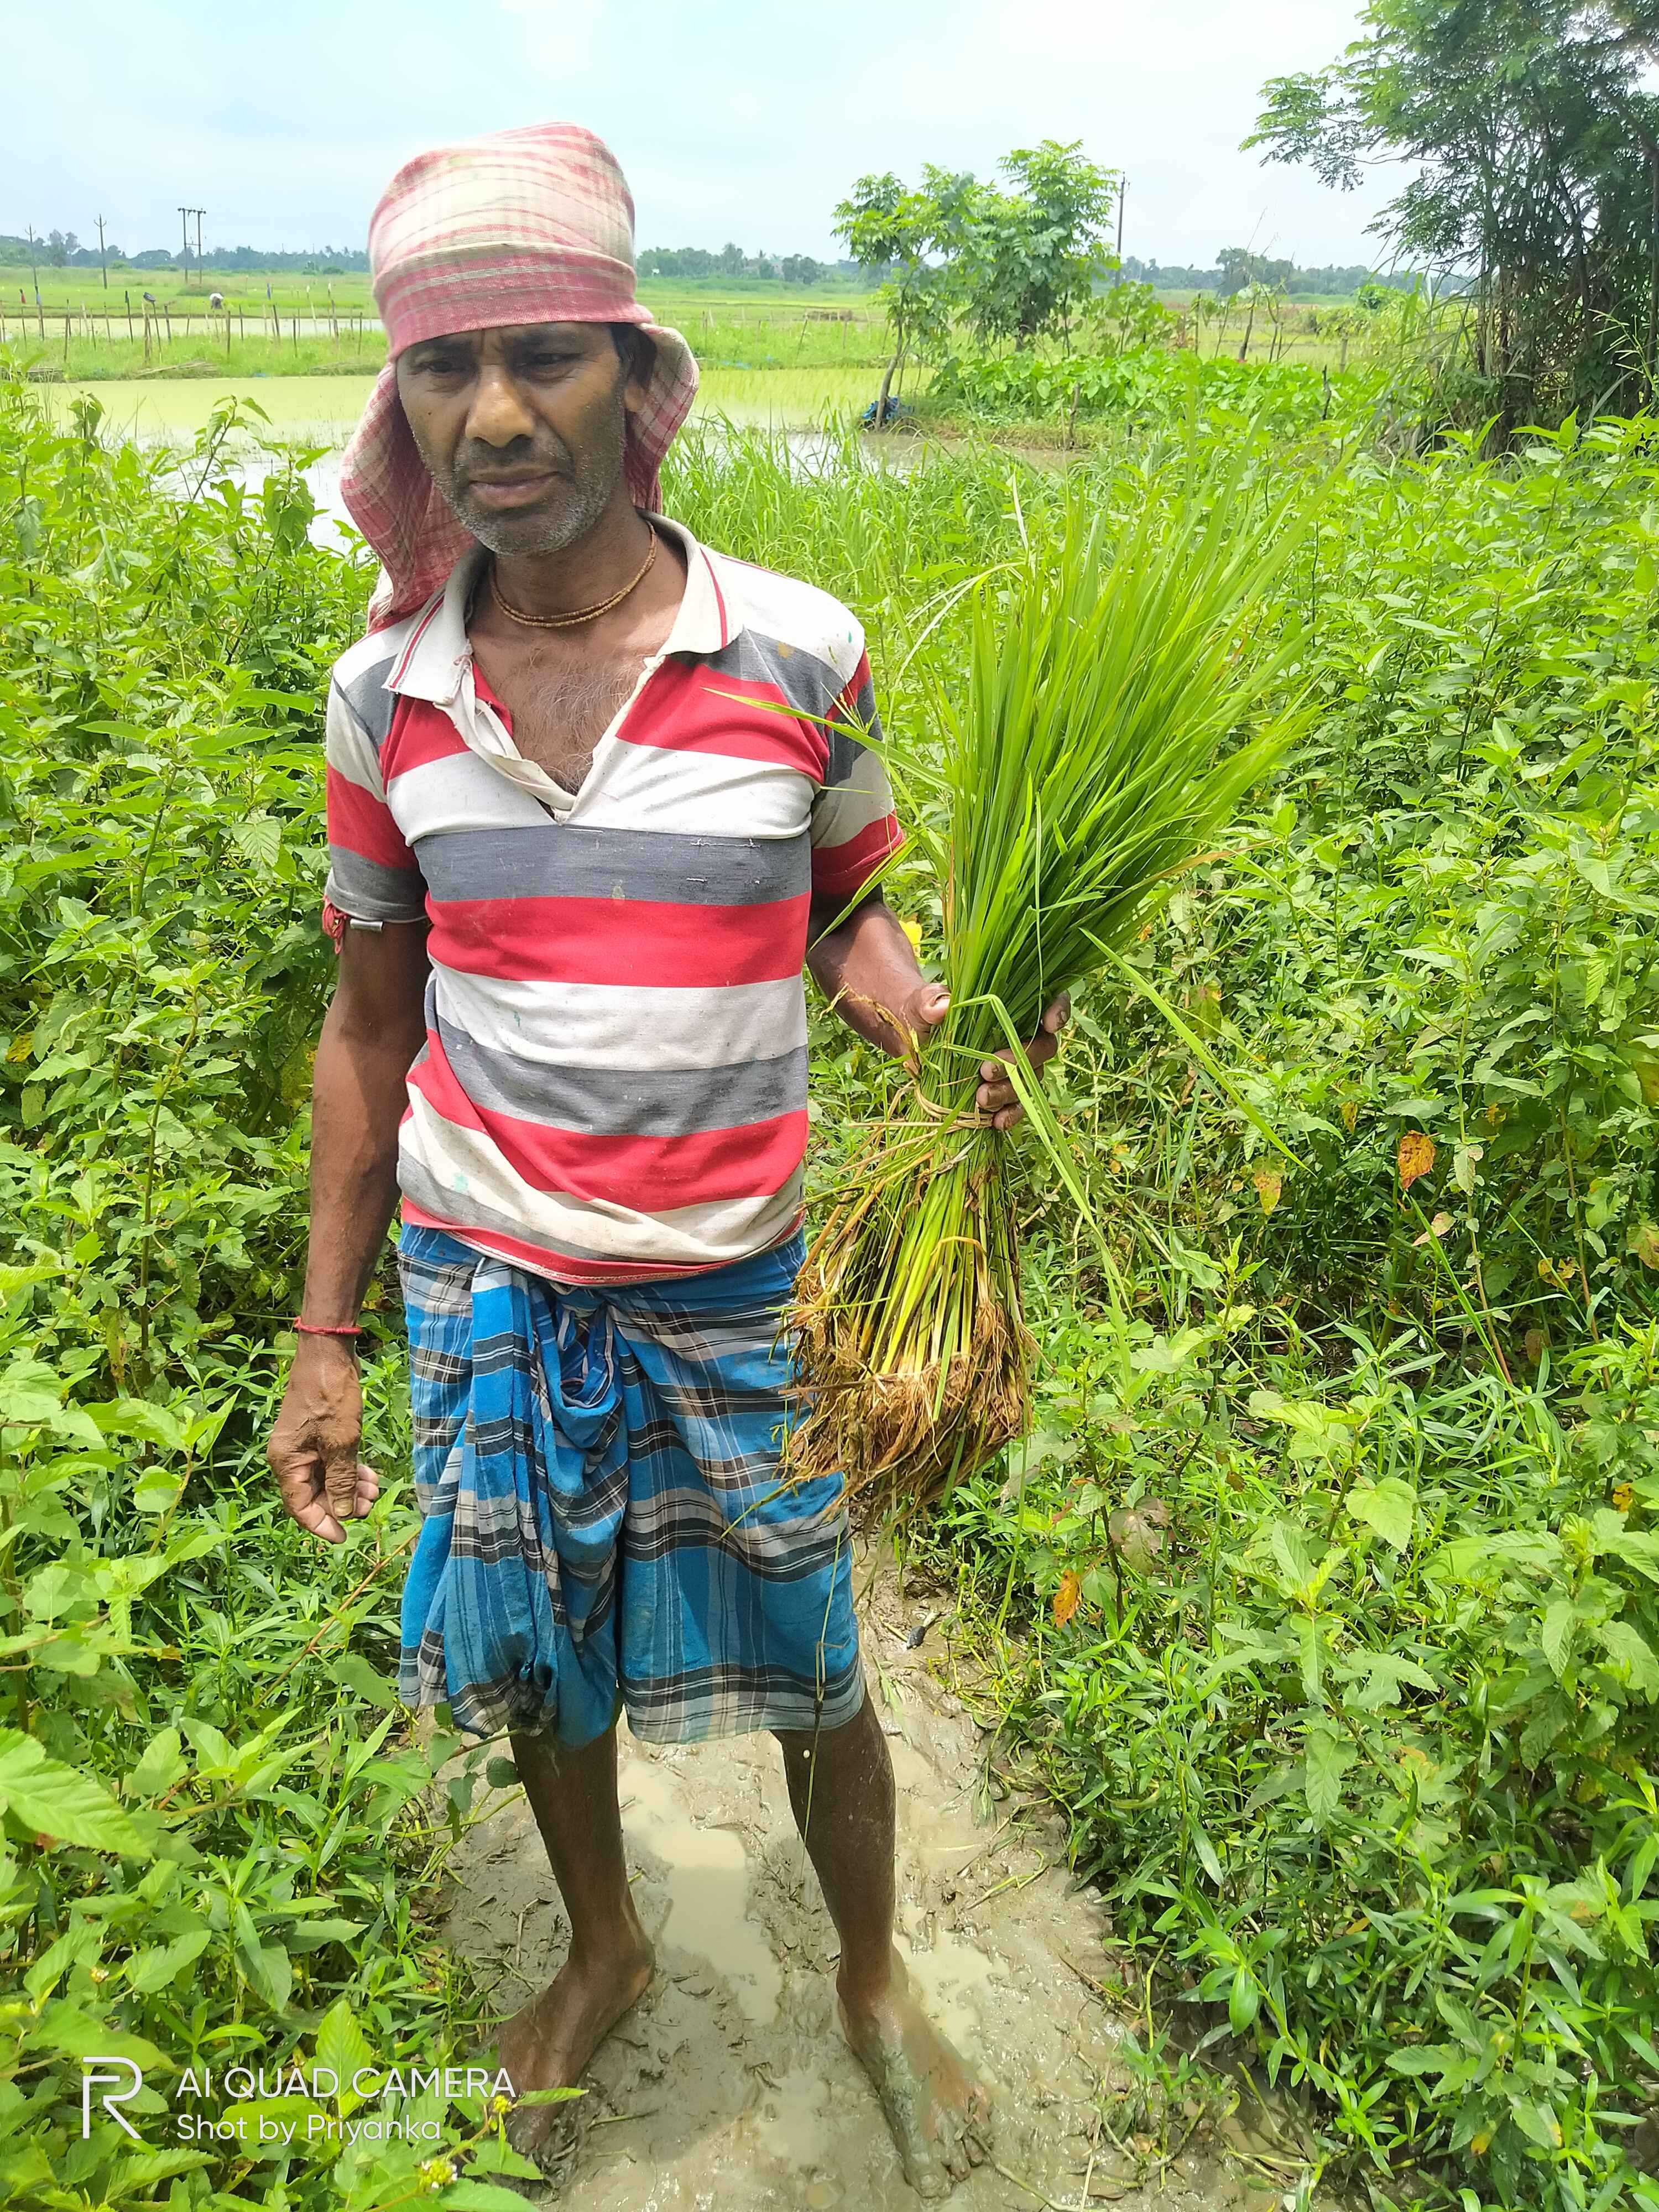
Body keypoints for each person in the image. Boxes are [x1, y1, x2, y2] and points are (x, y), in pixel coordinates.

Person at [265, 121, 1065, 2200]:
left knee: (818, 1652)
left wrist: (942, 1020)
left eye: (543, 356)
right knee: (540, 1645)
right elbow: (370, 1026)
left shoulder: (794, 647)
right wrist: (325, 1335)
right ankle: (606, 1945)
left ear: (636, 373)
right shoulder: (384, 694)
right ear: (401, 400)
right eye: (445, 369)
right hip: (492, 1271)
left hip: (730, 1267)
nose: (495, 416)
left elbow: (851, 914)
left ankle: (871, 1973)